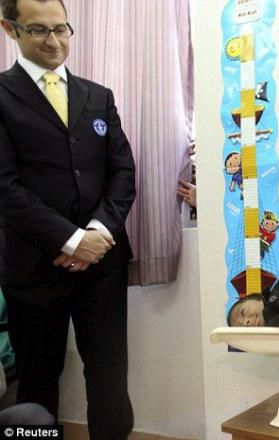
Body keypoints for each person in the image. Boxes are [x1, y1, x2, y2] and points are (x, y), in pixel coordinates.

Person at [0, 0, 135, 438]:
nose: (54, 41)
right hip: (33, 266)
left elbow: (123, 172)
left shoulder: (98, 96)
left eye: (61, 29)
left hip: (103, 263)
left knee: (110, 373)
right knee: (37, 381)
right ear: (10, 29)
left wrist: (95, 233)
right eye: (39, 30)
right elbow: (5, 186)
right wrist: (71, 240)